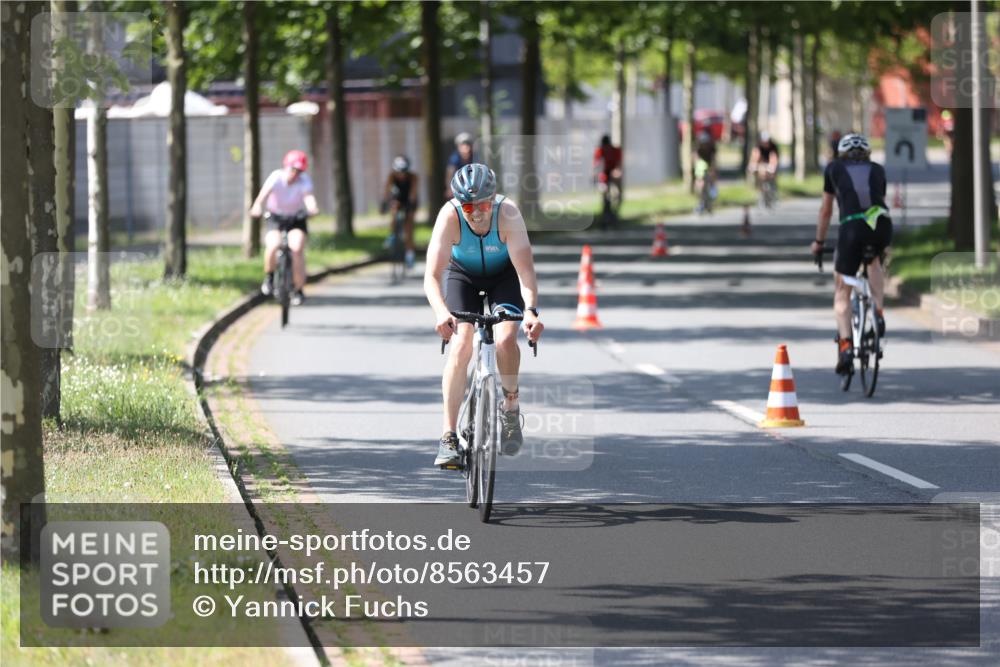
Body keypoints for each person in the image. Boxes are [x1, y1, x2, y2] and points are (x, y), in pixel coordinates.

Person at [424, 163, 544, 469]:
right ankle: (448, 436)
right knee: (462, 343)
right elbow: (432, 276)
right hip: (463, 276)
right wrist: (441, 312)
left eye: (483, 205)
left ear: (494, 200)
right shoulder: (449, 217)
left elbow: (525, 273)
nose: (476, 213)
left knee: (505, 339)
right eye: (468, 206)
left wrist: (530, 311)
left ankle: (511, 407)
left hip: (504, 276)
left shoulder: (509, 215)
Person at [810, 133, 892, 375]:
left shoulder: (833, 168)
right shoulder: (878, 170)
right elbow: (877, 199)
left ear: (840, 153)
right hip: (881, 223)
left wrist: (818, 242)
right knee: (874, 262)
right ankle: (878, 312)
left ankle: (846, 347)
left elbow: (826, 211)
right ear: (867, 154)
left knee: (842, 289)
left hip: (852, 227)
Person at [251, 150, 319, 305]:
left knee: (297, 248)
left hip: (296, 218)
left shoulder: (304, 181)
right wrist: (256, 206)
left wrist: (313, 208)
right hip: (276, 217)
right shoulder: (276, 177)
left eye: (299, 171)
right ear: (286, 167)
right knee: (273, 245)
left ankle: (299, 289)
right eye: (293, 169)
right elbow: (262, 196)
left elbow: (309, 198)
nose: (295, 174)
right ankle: (269, 277)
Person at [382, 155, 418, 268]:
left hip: (409, 200)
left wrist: (410, 206)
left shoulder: (413, 178)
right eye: (399, 172)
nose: (401, 175)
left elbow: (413, 193)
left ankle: (410, 255)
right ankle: (392, 234)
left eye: (404, 172)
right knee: (394, 210)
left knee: (408, 227)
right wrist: (384, 203)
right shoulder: (391, 177)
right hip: (397, 199)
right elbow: (387, 191)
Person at [592, 135, 623, 227]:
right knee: (605, 195)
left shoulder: (615, 150)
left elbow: (618, 164)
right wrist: (596, 177)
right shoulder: (599, 151)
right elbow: (596, 165)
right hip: (603, 175)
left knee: (617, 195)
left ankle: (613, 213)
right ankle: (605, 216)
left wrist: (617, 171)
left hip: (613, 174)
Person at [444, 132, 475, 200]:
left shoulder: (475, 157)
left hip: (473, 187)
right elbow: (449, 173)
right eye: (463, 145)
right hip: (458, 186)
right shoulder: (454, 158)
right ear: (458, 147)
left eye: (468, 145)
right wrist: (449, 189)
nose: (466, 148)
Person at [694, 130, 718, 214]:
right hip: (701, 166)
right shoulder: (698, 149)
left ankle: (710, 201)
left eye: (705, 143)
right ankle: (701, 202)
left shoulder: (712, 148)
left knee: (711, 182)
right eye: (702, 144)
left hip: (710, 166)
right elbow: (697, 161)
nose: (704, 145)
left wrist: (713, 172)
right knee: (700, 186)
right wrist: (699, 177)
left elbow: (714, 161)